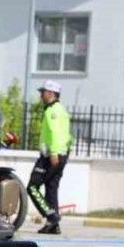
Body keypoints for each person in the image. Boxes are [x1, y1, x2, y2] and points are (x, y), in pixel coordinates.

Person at [30, 80, 71, 235]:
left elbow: (55, 133)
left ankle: (52, 217)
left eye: (43, 92)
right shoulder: (60, 109)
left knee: (32, 187)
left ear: (51, 93)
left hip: (51, 155)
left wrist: (54, 153)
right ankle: (53, 225)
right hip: (60, 153)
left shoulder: (53, 111)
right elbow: (67, 135)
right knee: (51, 188)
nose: (41, 95)